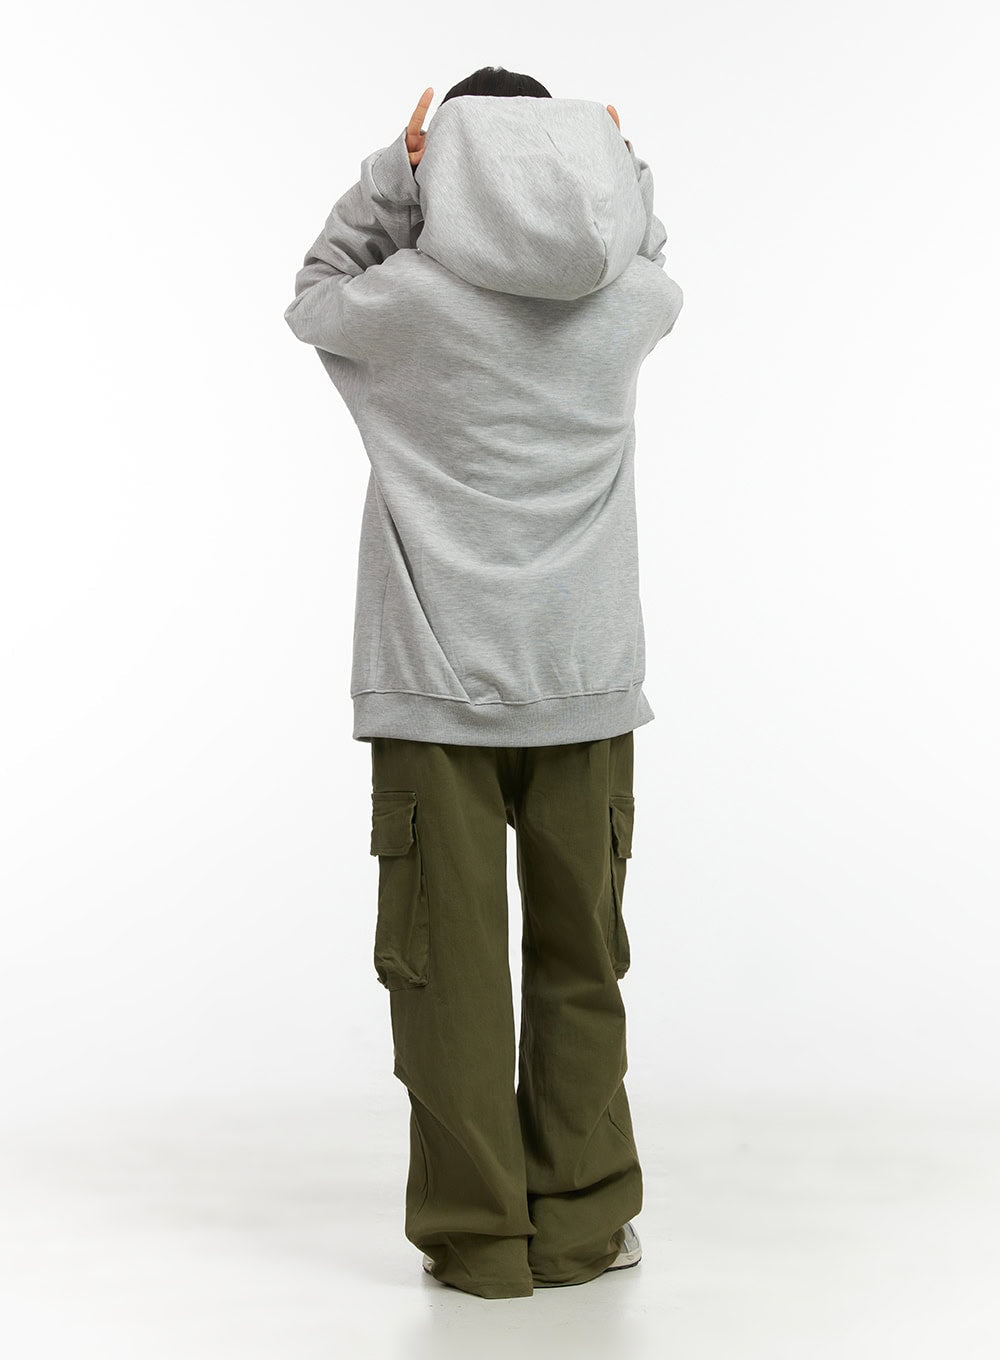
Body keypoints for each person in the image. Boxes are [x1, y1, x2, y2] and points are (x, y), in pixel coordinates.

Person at [283, 64, 683, 1299]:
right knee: (581, 959)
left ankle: (477, 1241)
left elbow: (313, 289)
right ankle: (578, 1226)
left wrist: (398, 173)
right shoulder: (630, 302)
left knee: (445, 975)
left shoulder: (402, 305)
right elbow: (646, 236)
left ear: (442, 165)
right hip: (584, 682)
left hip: (432, 685)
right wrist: (609, 164)